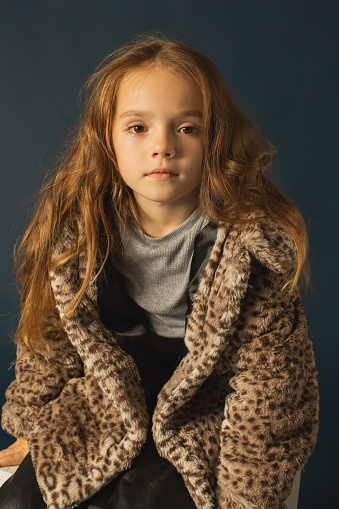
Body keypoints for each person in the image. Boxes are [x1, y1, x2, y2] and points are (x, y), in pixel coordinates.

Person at [0, 33, 319, 509]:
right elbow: (48, 347)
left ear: (214, 139)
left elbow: (269, 391)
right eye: (137, 128)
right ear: (108, 142)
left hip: (203, 408)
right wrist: (30, 430)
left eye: (187, 127)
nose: (162, 146)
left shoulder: (250, 252)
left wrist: (248, 496)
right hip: (106, 403)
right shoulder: (80, 235)